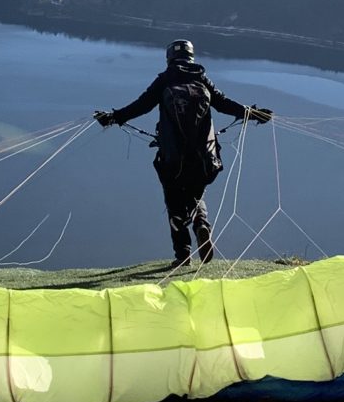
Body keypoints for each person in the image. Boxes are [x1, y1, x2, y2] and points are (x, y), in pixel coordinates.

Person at [95, 40, 272, 264]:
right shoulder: (201, 78)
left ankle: (183, 255)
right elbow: (225, 104)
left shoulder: (165, 80)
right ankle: (201, 223)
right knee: (197, 194)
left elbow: (141, 105)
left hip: (173, 158)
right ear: (192, 57)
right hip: (205, 158)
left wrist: (112, 118)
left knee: (174, 202)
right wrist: (252, 114)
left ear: (169, 58)